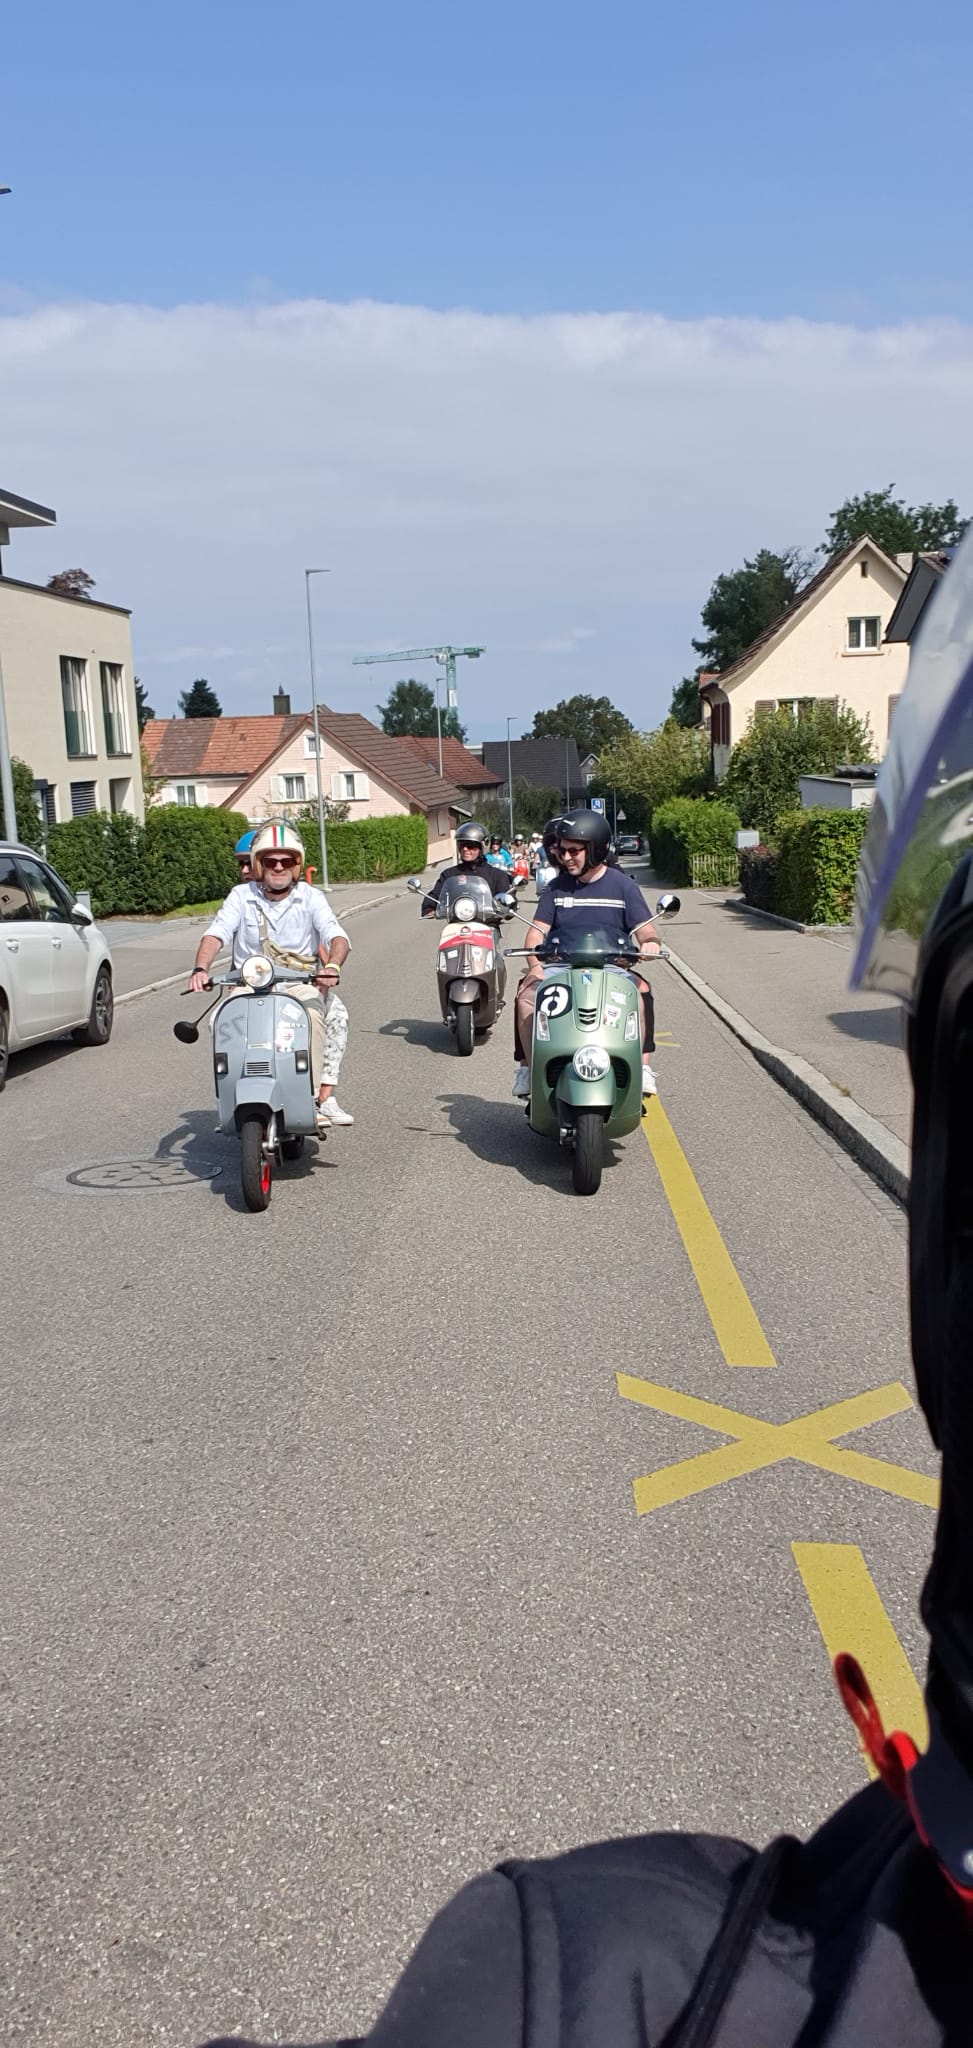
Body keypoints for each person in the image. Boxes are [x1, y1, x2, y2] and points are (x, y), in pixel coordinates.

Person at [204, 531, 973, 2045]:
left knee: (602, 1030)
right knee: (501, 1024)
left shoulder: (616, 881)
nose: (564, 863)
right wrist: (518, 947)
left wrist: (636, 954)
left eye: (570, 853)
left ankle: (595, 1082)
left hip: (608, 1001)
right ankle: (498, 1077)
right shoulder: (528, 888)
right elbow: (522, 935)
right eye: (556, 855)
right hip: (540, 999)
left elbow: (635, 938)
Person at [188, 820, 354, 1129]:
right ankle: (230, 1099)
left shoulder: (311, 897)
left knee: (318, 1015)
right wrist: (201, 968)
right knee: (219, 1022)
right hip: (248, 985)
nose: (278, 867)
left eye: (286, 861)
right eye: (270, 861)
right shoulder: (241, 896)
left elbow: (336, 935)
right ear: (258, 865)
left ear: (296, 865)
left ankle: (314, 1097)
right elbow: (216, 933)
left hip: (296, 984)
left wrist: (332, 966)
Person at [512, 809, 661, 1099]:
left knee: (642, 991)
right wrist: (534, 965)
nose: (566, 857)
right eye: (562, 850)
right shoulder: (556, 888)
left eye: (574, 851)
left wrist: (651, 943)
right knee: (526, 995)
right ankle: (528, 1069)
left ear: (596, 850)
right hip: (561, 968)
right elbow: (536, 932)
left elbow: (646, 931)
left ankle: (642, 1068)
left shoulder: (623, 886)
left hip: (611, 968)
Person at [420, 822, 517, 915]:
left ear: (483, 847)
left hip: (488, 923)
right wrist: (429, 907)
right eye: (462, 845)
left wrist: (508, 906)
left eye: (471, 846)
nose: (465, 849)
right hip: (457, 922)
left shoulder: (497, 875)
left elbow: (505, 897)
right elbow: (436, 894)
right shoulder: (449, 874)